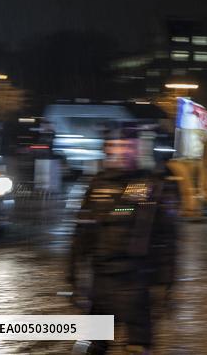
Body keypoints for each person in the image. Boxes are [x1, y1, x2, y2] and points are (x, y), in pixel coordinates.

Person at [69, 127, 179, 355]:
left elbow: (167, 238)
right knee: (93, 346)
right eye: (116, 145)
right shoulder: (96, 185)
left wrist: (166, 283)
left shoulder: (151, 185)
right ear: (107, 148)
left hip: (136, 283)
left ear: (137, 149)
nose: (122, 151)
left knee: (137, 347)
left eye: (127, 145)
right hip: (101, 284)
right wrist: (71, 276)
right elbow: (81, 234)